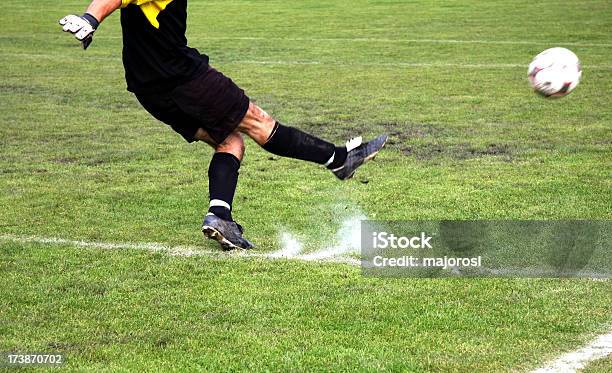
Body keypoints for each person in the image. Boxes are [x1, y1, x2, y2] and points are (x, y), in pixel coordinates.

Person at [59, 0, 387, 250]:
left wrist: (91, 22)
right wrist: (91, 18)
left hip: (149, 90)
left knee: (230, 142)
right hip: (183, 79)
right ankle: (339, 160)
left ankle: (220, 217)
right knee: (259, 122)